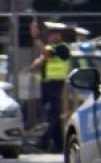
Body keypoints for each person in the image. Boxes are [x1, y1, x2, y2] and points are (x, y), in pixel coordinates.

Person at [31, 22, 72, 153]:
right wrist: (38, 61)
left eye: (52, 34)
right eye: (49, 34)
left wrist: (36, 38)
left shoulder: (62, 48)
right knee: (52, 115)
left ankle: (43, 140)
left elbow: (46, 53)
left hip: (57, 84)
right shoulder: (50, 47)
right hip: (47, 84)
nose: (49, 36)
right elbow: (38, 62)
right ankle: (59, 145)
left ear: (59, 35)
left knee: (52, 114)